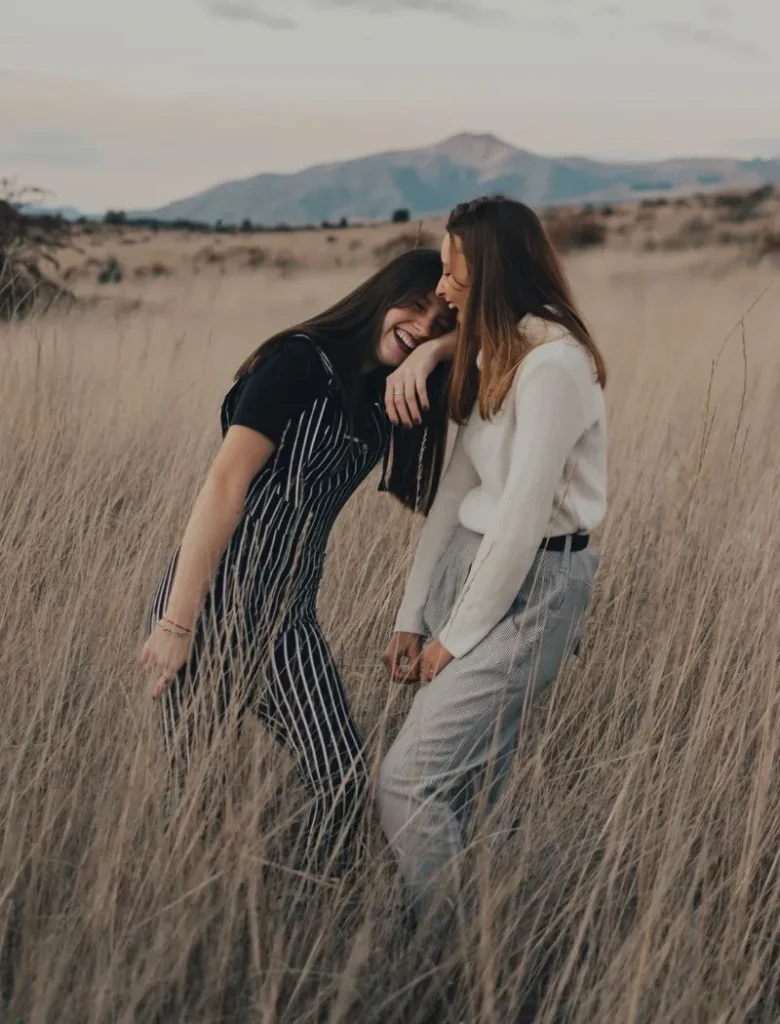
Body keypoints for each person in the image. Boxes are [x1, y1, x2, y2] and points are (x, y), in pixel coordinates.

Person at [139, 248, 455, 871]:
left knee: (342, 780)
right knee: (196, 800)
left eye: (439, 322)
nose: (421, 326)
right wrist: (177, 623)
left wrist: (435, 351)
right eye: (415, 307)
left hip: (288, 615)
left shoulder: (385, 389)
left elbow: (499, 333)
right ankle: (198, 915)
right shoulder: (301, 361)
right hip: (212, 603)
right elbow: (224, 485)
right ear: (381, 295)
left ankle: (302, 904)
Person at [378, 195, 608, 927]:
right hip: (471, 567)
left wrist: (452, 639)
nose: (442, 286)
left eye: (455, 271)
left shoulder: (555, 367)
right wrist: (413, 613)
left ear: (495, 272)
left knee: (406, 781)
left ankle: (449, 958)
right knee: (473, 788)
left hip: (535, 584)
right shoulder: (494, 352)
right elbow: (457, 490)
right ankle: (492, 945)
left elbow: (522, 519)